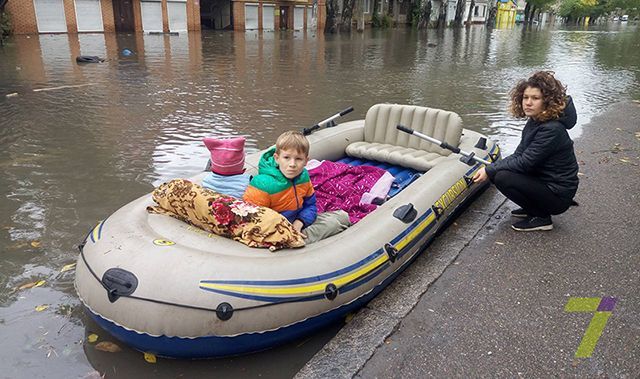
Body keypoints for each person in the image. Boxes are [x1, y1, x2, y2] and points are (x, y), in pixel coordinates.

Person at [473, 71, 579, 231]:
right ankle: (533, 207)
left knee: (502, 177)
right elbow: (518, 155)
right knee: (498, 172)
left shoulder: (552, 129)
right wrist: (491, 169)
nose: (528, 103)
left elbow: (525, 162)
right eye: (525, 97)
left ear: (547, 101)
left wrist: (489, 169)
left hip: (557, 193)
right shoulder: (536, 121)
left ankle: (542, 217)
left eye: (535, 98)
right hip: (546, 183)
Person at [243, 131, 350, 243]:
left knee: (343, 217)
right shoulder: (262, 184)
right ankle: (293, 242)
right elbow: (252, 219)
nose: (292, 164)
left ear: (306, 161)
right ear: (277, 158)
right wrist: (284, 230)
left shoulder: (303, 177)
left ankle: (297, 239)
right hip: (274, 230)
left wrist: (300, 222)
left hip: (296, 222)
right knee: (335, 225)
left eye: (298, 159)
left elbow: (311, 205)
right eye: (287, 158)